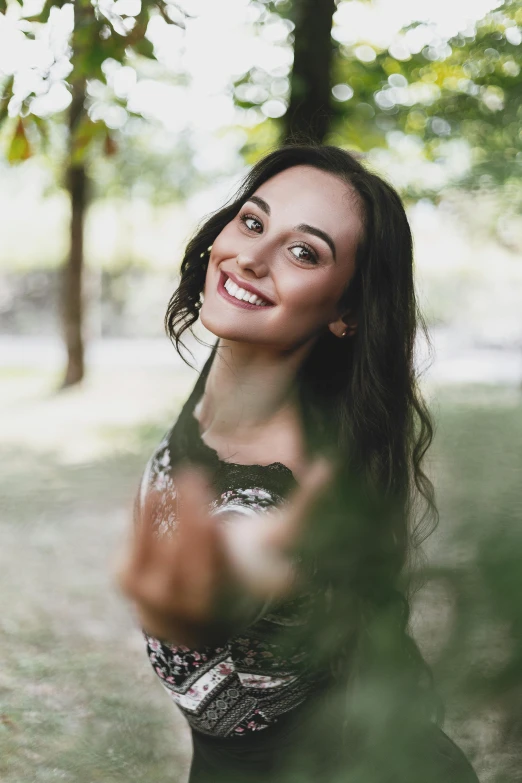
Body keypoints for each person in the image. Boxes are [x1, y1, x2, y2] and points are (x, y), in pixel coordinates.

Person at [116, 145, 480, 782]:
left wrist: (195, 601)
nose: (251, 259)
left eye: (304, 251)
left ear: (347, 312)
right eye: (254, 222)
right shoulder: (238, 372)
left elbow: (236, 569)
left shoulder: (276, 500)